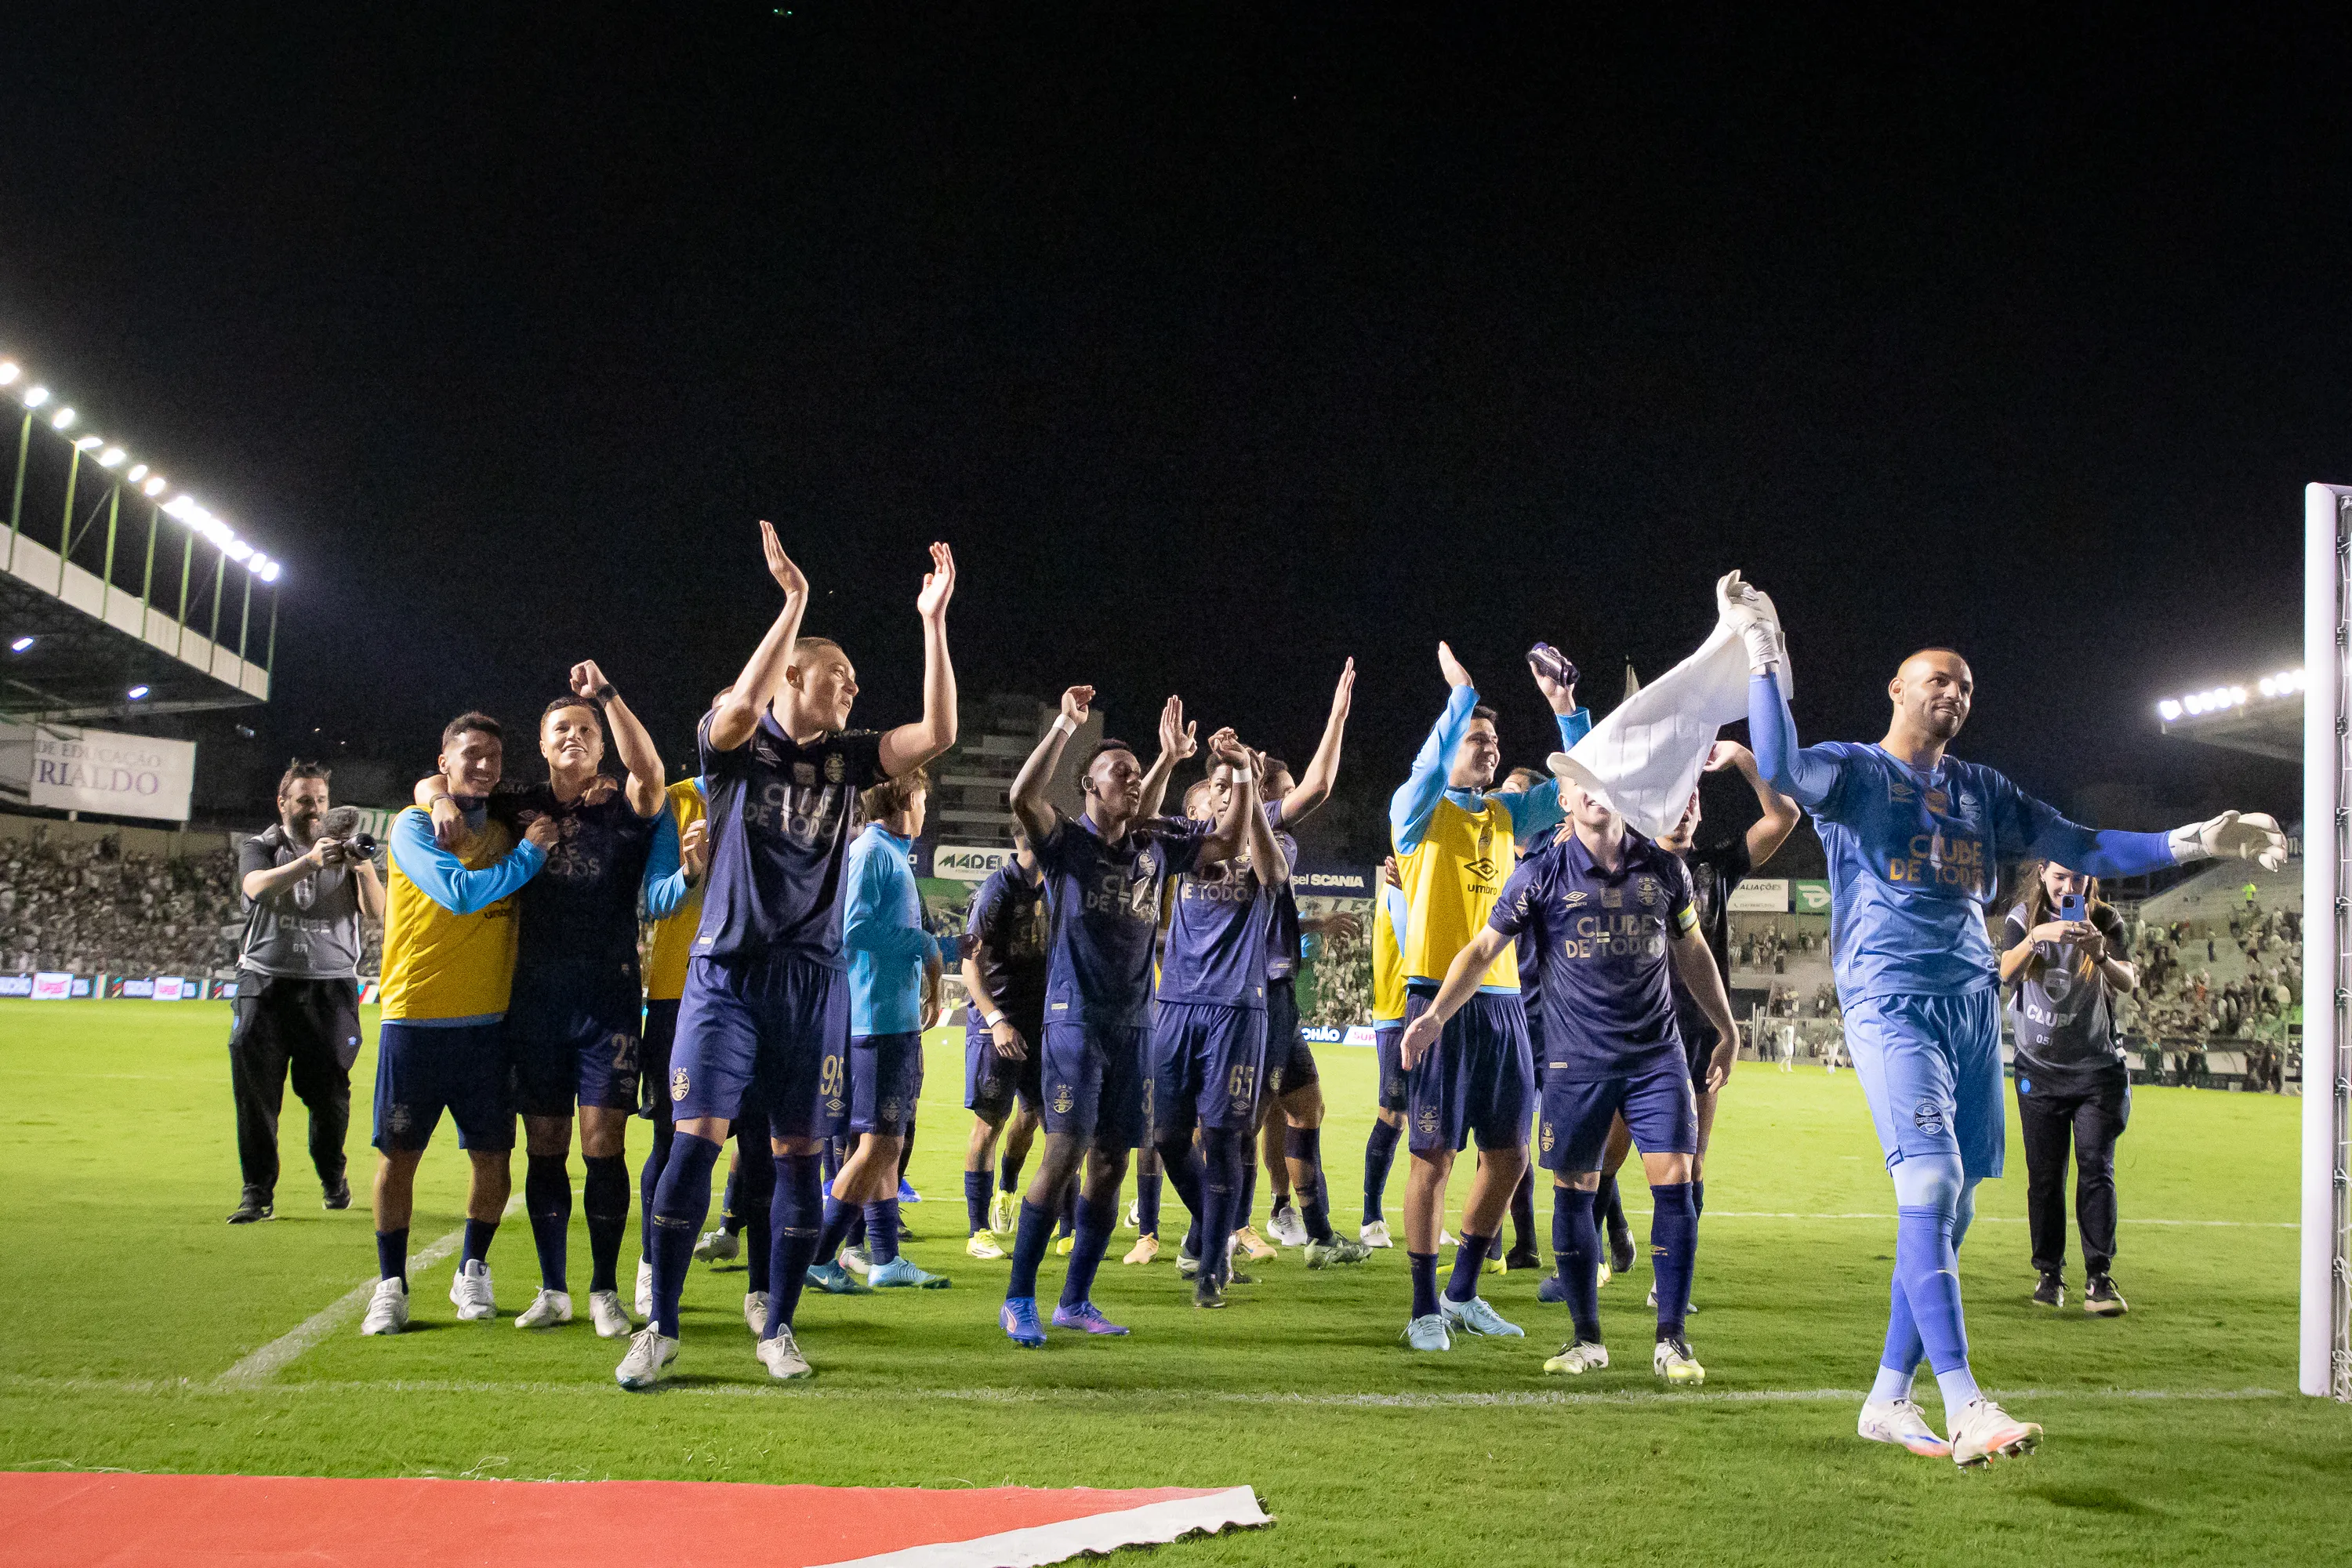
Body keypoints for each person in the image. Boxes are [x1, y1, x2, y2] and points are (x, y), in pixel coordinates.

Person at [1732, 569, 2285, 1465]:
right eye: (1937, 677)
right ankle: (1965, 1404)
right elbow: (1786, 768)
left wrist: (2196, 839)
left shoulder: (1984, 789)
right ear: (1899, 689)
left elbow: (2085, 843)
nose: (1954, 690)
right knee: (1930, 1185)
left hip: (1969, 1007)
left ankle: (1885, 1396)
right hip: (1890, 999)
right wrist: (1765, 655)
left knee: (1947, 1218)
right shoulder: (1857, 769)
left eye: (1967, 684)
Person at [618, 527, 958, 1388]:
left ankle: (777, 1323)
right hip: (725, 974)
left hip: (813, 984)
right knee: (694, 1144)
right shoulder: (734, 746)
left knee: (798, 1155)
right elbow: (739, 704)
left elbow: (939, 730)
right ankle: (659, 1327)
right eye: (839, 676)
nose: (853, 688)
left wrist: (934, 619)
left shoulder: (849, 760)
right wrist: (794, 605)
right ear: (796, 679)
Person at [1404, 775, 1743, 1385]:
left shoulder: (1664, 869)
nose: (1591, 792)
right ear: (1562, 801)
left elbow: (1692, 949)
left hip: (1655, 1058)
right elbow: (1482, 950)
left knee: (1676, 1178)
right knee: (1575, 1189)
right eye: (1576, 785)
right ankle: (1587, 1338)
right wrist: (1434, 1015)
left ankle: (1673, 1340)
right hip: (1575, 1063)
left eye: (1601, 781)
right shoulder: (1538, 874)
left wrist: (1727, 1027)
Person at [418, 664, 681, 1338]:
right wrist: (435, 796)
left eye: (586, 730)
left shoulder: (627, 806)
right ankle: (553, 1288)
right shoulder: (518, 803)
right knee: (544, 1147)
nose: (575, 736)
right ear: (542, 743)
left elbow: (650, 772)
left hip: (609, 1002)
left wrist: (609, 697)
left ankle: (603, 1291)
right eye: (562, 727)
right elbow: (445, 782)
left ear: (602, 744)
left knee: (604, 1146)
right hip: (533, 1003)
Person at [996, 686, 1244, 1346]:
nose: (1134, 784)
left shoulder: (1155, 848)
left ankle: (1075, 1300)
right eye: (1122, 775)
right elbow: (1023, 797)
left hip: (1136, 1025)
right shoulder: (1067, 845)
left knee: (1110, 1163)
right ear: (1089, 786)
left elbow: (1228, 840)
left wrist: (1233, 774)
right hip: (1073, 1019)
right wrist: (1064, 726)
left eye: (1140, 775)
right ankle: (1019, 1297)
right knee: (1065, 1150)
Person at [1389, 641, 1588, 1351]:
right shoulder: (1416, 814)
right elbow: (1423, 768)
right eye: (1478, 738)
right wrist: (1460, 698)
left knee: (1509, 1157)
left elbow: (1584, 781)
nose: (1490, 747)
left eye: (1495, 739)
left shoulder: (1507, 816)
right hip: (1435, 1000)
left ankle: (1464, 1292)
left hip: (1504, 1004)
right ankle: (1421, 1307)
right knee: (1433, 1157)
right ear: (1450, 747)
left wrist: (1565, 707)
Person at [1571, 739, 1798, 1309]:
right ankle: (1589, 1254)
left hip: (1698, 1033)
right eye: (1677, 795)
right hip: (1640, 1027)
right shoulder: (1631, 858)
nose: (1687, 804)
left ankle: (1665, 1284)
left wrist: (1746, 761)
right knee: (1615, 1151)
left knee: (1692, 1160)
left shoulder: (1717, 866)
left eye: (1694, 796)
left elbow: (1785, 817)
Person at [358, 713, 557, 1335]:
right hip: (414, 1018)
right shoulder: (413, 824)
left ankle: (473, 1266)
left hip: (488, 1027)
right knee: (400, 1155)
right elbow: (461, 894)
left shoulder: (501, 825)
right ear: (444, 761)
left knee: (493, 1156)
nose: (485, 764)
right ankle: (390, 1283)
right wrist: (530, 855)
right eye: (471, 754)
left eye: (494, 755)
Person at [1153, 750, 1292, 1307]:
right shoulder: (1188, 838)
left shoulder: (1271, 837)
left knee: (1221, 1138)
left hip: (1237, 1008)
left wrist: (1251, 788)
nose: (1225, 793)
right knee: (1165, 1136)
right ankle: (1217, 1230)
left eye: (1233, 785)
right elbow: (1140, 824)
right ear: (1204, 795)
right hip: (1177, 1002)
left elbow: (1273, 876)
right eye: (1217, 785)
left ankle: (1212, 1265)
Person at [808, 766, 951, 1290]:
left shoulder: (887, 852)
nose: (923, 810)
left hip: (888, 1019)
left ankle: (887, 1260)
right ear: (893, 803)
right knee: (879, 1146)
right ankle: (820, 1257)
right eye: (918, 799)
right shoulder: (871, 852)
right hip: (876, 1024)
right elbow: (855, 929)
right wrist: (925, 946)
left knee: (882, 1144)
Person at [1249, 662, 1372, 1269]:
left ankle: (1315, 1231)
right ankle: (1215, 1230)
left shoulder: (1274, 843)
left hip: (1279, 994)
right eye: (1285, 790)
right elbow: (1319, 786)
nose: (1296, 802)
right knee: (1236, 1117)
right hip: (1251, 996)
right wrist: (1338, 714)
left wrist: (1312, 926)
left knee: (1304, 1105)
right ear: (1268, 795)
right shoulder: (1259, 828)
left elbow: (1262, 912)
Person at [227, 761, 383, 1224]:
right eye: (303, 799)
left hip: (330, 988)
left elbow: (378, 913)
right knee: (256, 1095)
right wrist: (310, 862)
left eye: (320, 799)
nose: (313, 808)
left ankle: (333, 1176)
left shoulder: (347, 855)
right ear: (283, 803)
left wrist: (365, 867)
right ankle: (256, 1192)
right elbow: (255, 887)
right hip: (265, 983)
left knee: (330, 1096)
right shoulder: (262, 846)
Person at [2001, 860, 2138, 1316]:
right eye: (2059, 877)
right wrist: (2038, 939)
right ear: (2042, 874)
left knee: (2096, 1169)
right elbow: (2004, 972)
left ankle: (2099, 1278)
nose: (2068, 887)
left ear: (2090, 881)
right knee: (2044, 1177)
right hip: (2038, 1070)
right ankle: (2049, 1273)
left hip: (2097, 1072)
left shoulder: (2106, 919)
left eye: (2077, 879)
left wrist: (2100, 954)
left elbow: (2129, 981)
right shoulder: (2024, 918)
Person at [960, 832, 1050, 1261]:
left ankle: (1007, 1191)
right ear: (1027, 838)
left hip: (1042, 1023)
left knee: (1034, 1116)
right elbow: (967, 962)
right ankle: (978, 1231)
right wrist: (996, 1020)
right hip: (996, 1024)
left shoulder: (1051, 888)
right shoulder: (994, 890)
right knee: (990, 1123)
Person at [1359, 855, 1408, 1246]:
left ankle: (1425, 1213)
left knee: (1433, 1123)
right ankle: (1371, 1215)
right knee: (1393, 1115)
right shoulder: (1398, 888)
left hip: (1435, 1012)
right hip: (1398, 1014)